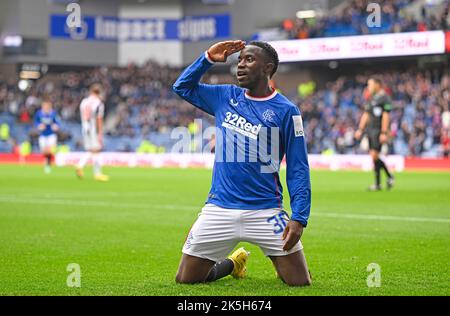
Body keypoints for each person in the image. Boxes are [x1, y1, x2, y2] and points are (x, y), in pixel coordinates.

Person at [173, 40, 312, 286]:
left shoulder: (287, 111)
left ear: (267, 68)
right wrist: (207, 58)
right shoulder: (225, 96)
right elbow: (182, 87)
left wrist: (299, 217)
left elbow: (298, 167)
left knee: (299, 282)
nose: (240, 65)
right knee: (186, 279)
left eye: (249, 60)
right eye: (239, 60)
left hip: (266, 210)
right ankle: (232, 264)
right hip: (219, 208)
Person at [355, 78, 394, 191]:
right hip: (370, 130)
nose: (368, 87)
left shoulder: (384, 98)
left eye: (370, 84)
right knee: (374, 157)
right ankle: (386, 179)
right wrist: (360, 129)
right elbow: (366, 114)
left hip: (378, 130)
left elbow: (386, 116)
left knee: (374, 155)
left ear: (377, 85)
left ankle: (383, 180)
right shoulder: (372, 98)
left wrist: (383, 132)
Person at [75, 84, 109, 182]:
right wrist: (100, 133)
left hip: (85, 128)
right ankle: (96, 173)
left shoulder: (84, 102)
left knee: (92, 150)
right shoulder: (98, 103)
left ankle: (83, 166)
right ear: (99, 92)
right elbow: (99, 119)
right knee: (96, 150)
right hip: (93, 129)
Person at [34, 100, 59, 174]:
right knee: (44, 151)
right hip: (43, 135)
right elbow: (36, 122)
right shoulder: (39, 114)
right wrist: (39, 126)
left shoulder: (53, 114)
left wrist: (56, 126)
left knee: (50, 149)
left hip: (51, 134)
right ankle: (47, 162)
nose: (46, 107)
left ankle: (47, 164)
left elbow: (57, 122)